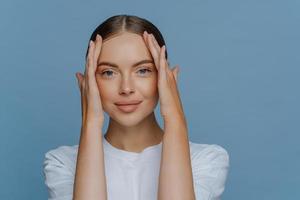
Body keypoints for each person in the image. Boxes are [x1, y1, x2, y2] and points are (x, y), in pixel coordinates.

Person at [43, 14, 230, 200]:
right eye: (108, 72)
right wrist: (90, 123)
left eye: (143, 71)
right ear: (90, 81)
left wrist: (175, 118)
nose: (126, 88)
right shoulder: (63, 163)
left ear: (166, 78)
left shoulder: (206, 160)